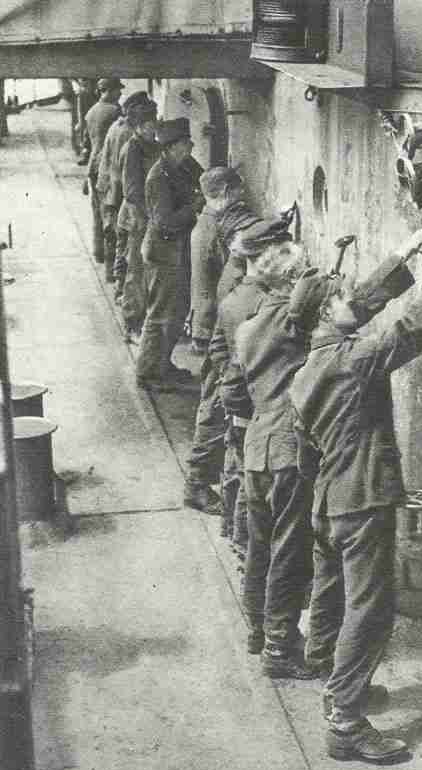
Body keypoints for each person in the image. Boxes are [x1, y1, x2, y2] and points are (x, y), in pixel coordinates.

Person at [288, 228, 422, 762]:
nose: (350, 300)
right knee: (371, 611)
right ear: (326, 315)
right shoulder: (351, 363)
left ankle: (332, 674)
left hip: (330, 501)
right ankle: (345, 721)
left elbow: (360, 305)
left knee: (330, 596)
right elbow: (407, 329)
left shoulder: (312, 363)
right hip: (361, 501)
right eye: (339, 299)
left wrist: (405, 253)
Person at [228, 241, 319, 677]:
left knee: (259, 545)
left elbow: (234, 390)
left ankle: (258, 631)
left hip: (257, 448)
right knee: (291, 550)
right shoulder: (291, 321)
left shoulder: (248, 327)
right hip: (287, 450)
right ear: (291, 280)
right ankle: (280, 649)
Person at [183, 204, 294, 514]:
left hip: (229, 369)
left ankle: (227, 515)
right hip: (239, 378)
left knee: (226, 435)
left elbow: (219, 342)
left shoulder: (238, 271)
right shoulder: (254, 294)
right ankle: (198, 486)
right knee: (221, 432)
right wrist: (237, 372)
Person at [135, 118, 204, 391]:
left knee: (177, 311)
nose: (192, 145)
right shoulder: (158, 176)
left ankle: (163, 364)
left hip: (177, 250)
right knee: (161, 313)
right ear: (172, 147)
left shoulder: (183, 166)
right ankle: (148, 373)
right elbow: (165, 221)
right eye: (187, 142)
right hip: (163, 253)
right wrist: (196, 204)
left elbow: (204, 178)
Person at [95, 90, 152, 292]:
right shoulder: (128, 135)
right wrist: (121, 202)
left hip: (113, 190)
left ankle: (116, 279)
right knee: (123, 241)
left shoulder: (118, 127)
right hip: (118, 193)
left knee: (119, 239)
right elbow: (121, 172)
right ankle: (119, 284)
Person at [190, 168, 244, 356]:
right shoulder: (211, 229)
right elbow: (212, 285)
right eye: (238, 190)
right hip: (208, 329)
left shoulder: (209, 220)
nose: (241, 195)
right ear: (225, 191)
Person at [118, 100, 159, 342]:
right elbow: (132, 191)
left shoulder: (151, 145)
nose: (154, 126)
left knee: (147, 269)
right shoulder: (132, 149)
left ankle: (144, 318)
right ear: (139, 125)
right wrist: (154, 213)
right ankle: (132, 324)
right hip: (137, 219)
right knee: (136, 271)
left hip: (150, 217)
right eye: (149, 123)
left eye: (154, 121)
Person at [84, 78, 123, 266]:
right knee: (111, 212)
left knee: (97, 212)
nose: (120, 93)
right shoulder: (115, 112)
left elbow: (87, 142)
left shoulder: (91, 111)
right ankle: (111, 258)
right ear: (107, 91)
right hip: (106, 166)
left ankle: (98, 251)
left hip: (93, 165)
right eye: (117, 90)